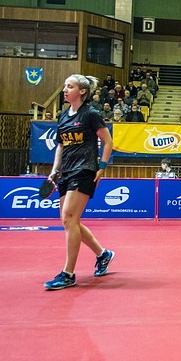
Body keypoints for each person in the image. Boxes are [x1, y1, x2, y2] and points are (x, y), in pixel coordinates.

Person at [44, 74, 116, 290]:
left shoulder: (91, 114)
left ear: (82, 91)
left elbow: (108, 141)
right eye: (65, 86)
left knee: (69, 218)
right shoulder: (63, 116)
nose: (65, 90)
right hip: (66, 171)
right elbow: (60, 145)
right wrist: (55, 170)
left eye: (70, 86)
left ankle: (68, 274)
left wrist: (101, 167)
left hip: (85, 170)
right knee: (69, 221)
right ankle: (103, 254)